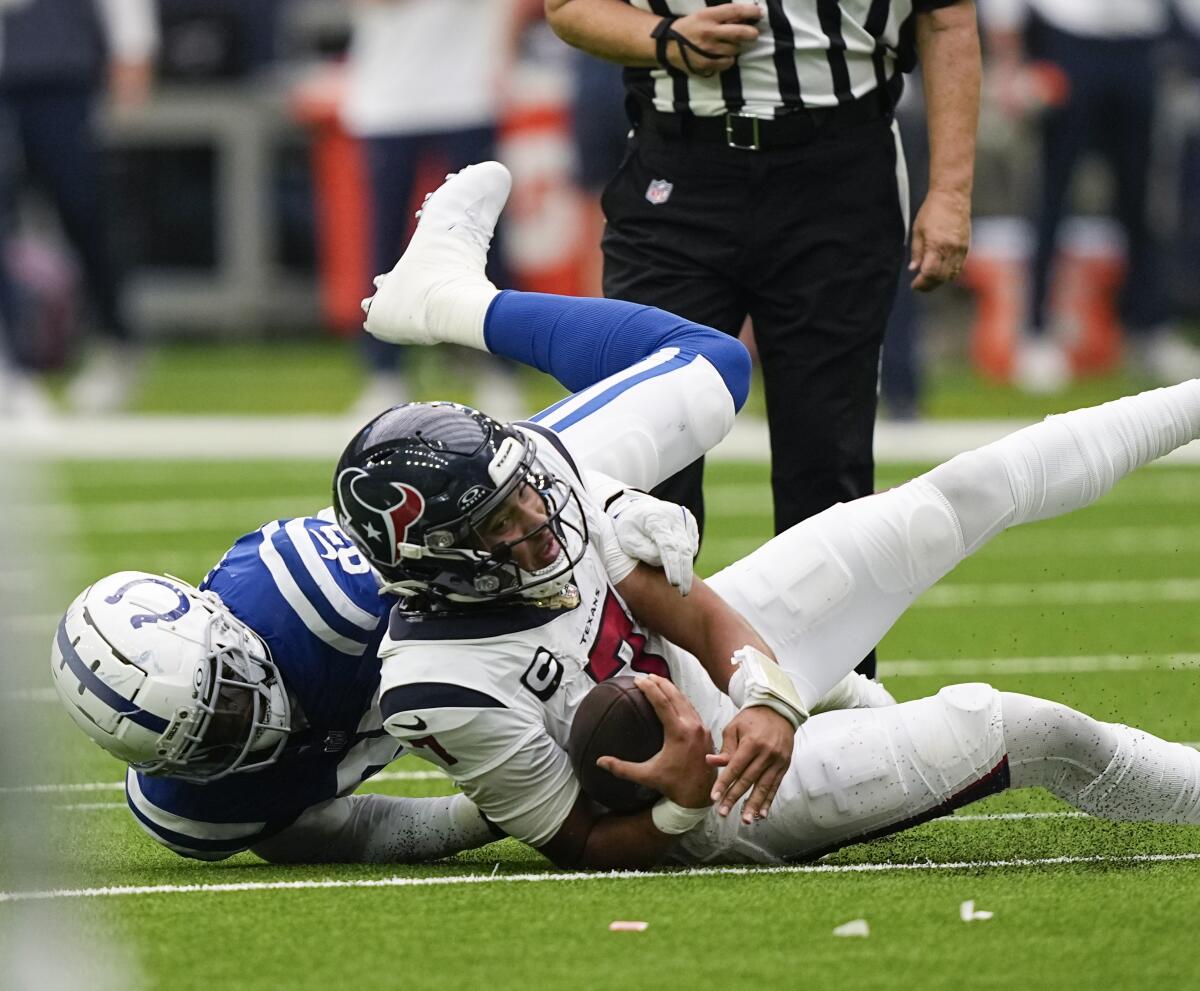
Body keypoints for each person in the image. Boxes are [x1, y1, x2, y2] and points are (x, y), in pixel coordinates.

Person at [351, 161, 1200, 869]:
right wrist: (689, 801)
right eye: (495, 532)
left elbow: (687, 616)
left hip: (721, 687)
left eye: (519, 499)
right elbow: (577, 838)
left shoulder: (535, 482)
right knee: (1016, 727)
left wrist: (766, 693)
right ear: (433, 568)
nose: (531, 525)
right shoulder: (440, 682)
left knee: (950, 498)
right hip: (717, 808)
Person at [51, 179, 760, 862]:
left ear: (224, 630)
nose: (249, 724)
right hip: (493, 596)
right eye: (209, 740)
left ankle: (452, 300)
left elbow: (468, 546)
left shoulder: (319, 600)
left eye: (230, 695)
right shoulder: (191, 810)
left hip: (479, 507)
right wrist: (497, 809)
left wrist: (604, 502)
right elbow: (341, 834)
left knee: (711, 368)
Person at [543, 0, 980, 680]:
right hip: (678, 169)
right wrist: (664, 39)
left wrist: (950, 189)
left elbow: (948, 17)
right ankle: (648, 709)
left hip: (840, 167)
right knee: (649, 469)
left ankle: (843, 717)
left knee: (826, 466)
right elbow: (569, 8)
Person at [981, 0, 1200, 393]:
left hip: (1137, 41)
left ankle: (1149, 329)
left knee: (1139, 199)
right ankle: (1036, 332)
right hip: (1066, 40)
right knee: (1052, 196)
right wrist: (1009, 59)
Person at [340, 0, 525, 419]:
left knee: (489, 242)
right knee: (385, 243)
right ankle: (383, 372)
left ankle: (500, 369)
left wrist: (504, 57)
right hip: (387, 101)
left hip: (468, 94)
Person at [0, 0, 157, 417]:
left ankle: (116, 339)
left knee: (83, 211)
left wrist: (133, 49)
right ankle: (14, 365)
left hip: (57, 68)